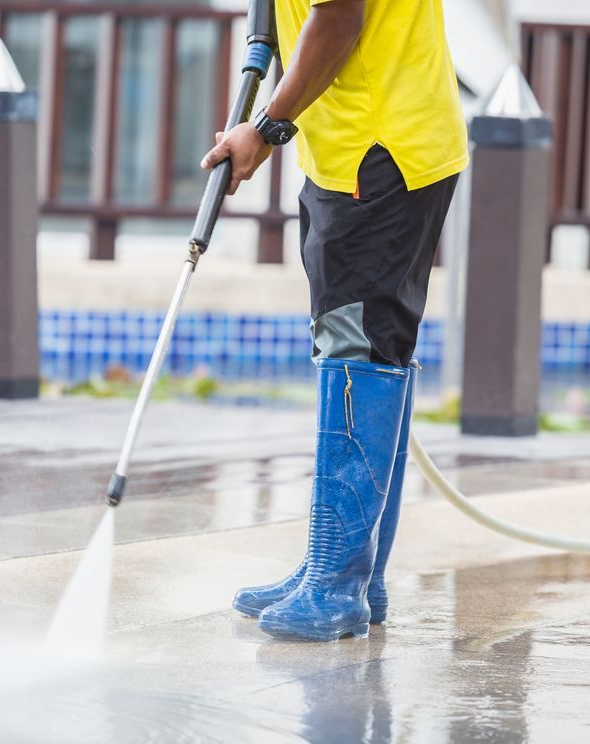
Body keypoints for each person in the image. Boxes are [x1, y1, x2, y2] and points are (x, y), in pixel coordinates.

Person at [200, 0, 468, 641]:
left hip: (380, 156)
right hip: (349, 154)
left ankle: (337, 582)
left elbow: (340, 16)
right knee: (356, 346)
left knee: (361, 353)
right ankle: (348, 572)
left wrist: (264, 127)